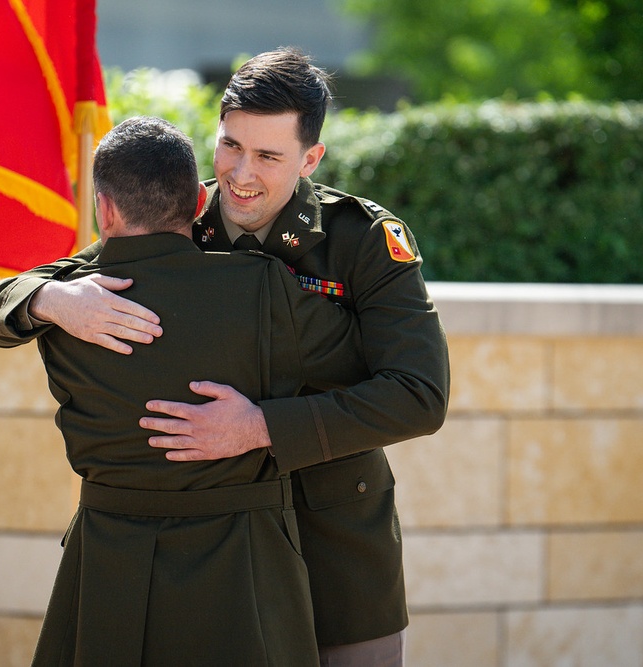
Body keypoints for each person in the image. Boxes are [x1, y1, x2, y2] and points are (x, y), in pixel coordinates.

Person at [36, 49, 451, 665]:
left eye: (268, 156)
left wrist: (261, 427)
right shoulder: (181, 215)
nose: (240, 174)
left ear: (311, 159)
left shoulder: (361, 239)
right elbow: (33, 285)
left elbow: (418, 394)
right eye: (230, 146)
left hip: (333, 543)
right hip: (223, 563)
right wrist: (49, 299)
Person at [0, 116, 372, 666]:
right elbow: (367, 365)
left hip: (109, 568)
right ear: (196, 206)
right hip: (243, 571)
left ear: (105, 210)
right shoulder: (260, 287)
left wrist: (48, 301)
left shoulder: (71, 297)